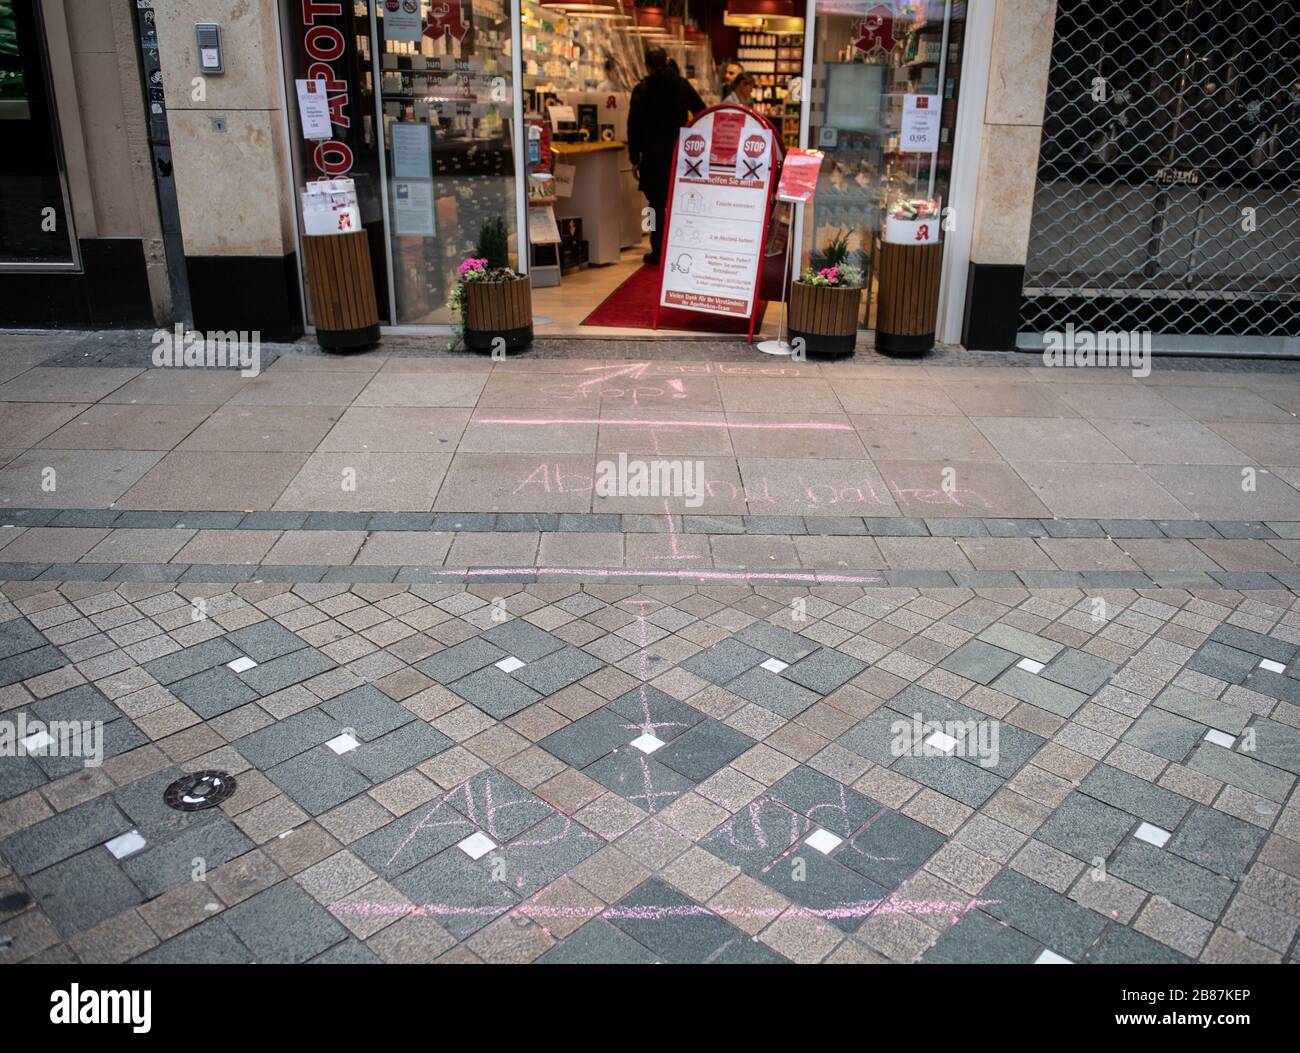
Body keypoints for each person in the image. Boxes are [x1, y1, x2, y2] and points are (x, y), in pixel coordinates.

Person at [626, 46, 706, 265]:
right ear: (668, 60)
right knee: (680, 202)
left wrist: (634, 158)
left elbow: (633, 126)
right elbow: (702, 111)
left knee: (653, 206)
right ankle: (679, 245)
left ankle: (656, 249)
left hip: (651, 158)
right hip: (679, 155)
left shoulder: (641, 89)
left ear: (647, 65)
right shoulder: (682, 85)